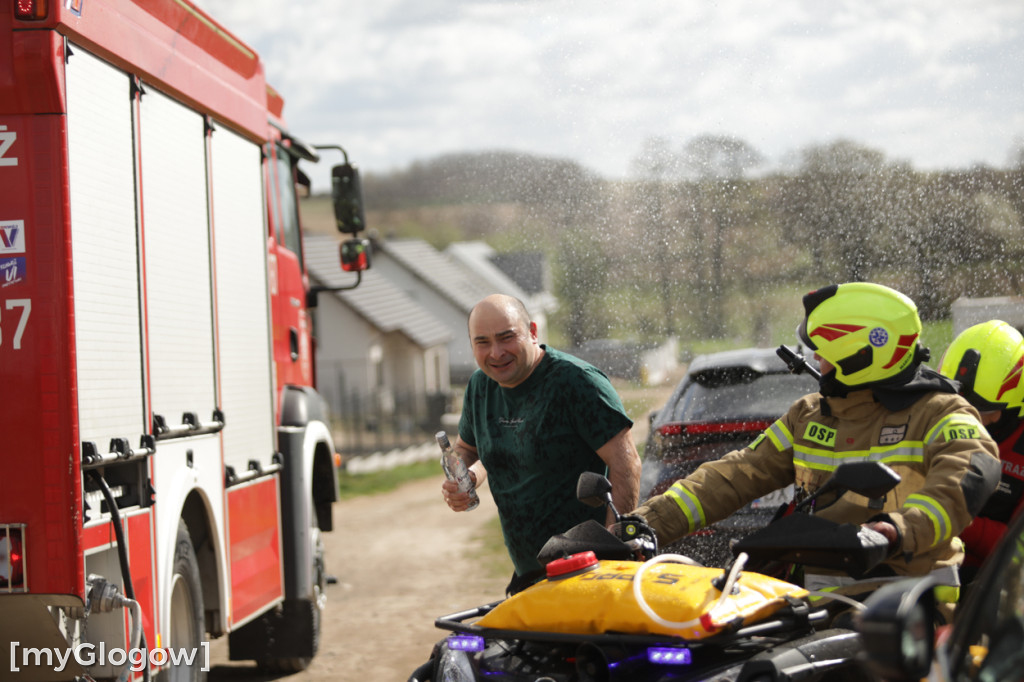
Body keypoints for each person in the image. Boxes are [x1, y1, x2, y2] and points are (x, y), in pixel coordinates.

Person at [626, 282, 1001, 615]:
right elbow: (734, 475)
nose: (817, 359)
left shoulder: (939, 411)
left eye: (825, 350)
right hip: (817, 614)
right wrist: (641, 524)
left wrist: (895, 530)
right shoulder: (809, 416)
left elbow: (972, 468)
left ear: (861, 353)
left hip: (909, 619)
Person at [442, 294, 642, 593]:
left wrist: (614, 552)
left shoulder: (577, 383)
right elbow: (469, 449)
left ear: (533, 332)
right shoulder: (479, 387)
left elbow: (626, 464)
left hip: (589, 570)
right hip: (528, 572)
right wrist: (468, 477)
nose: (496, 353)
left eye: (506, 337)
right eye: (482, 342)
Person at [939, 320, 1024, 586]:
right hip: (929, 572)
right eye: (958, 407)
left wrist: (949, 518)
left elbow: (1017, 554)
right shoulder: (928, 421)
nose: (968, 421)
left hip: (997, 590)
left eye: (983, 413)